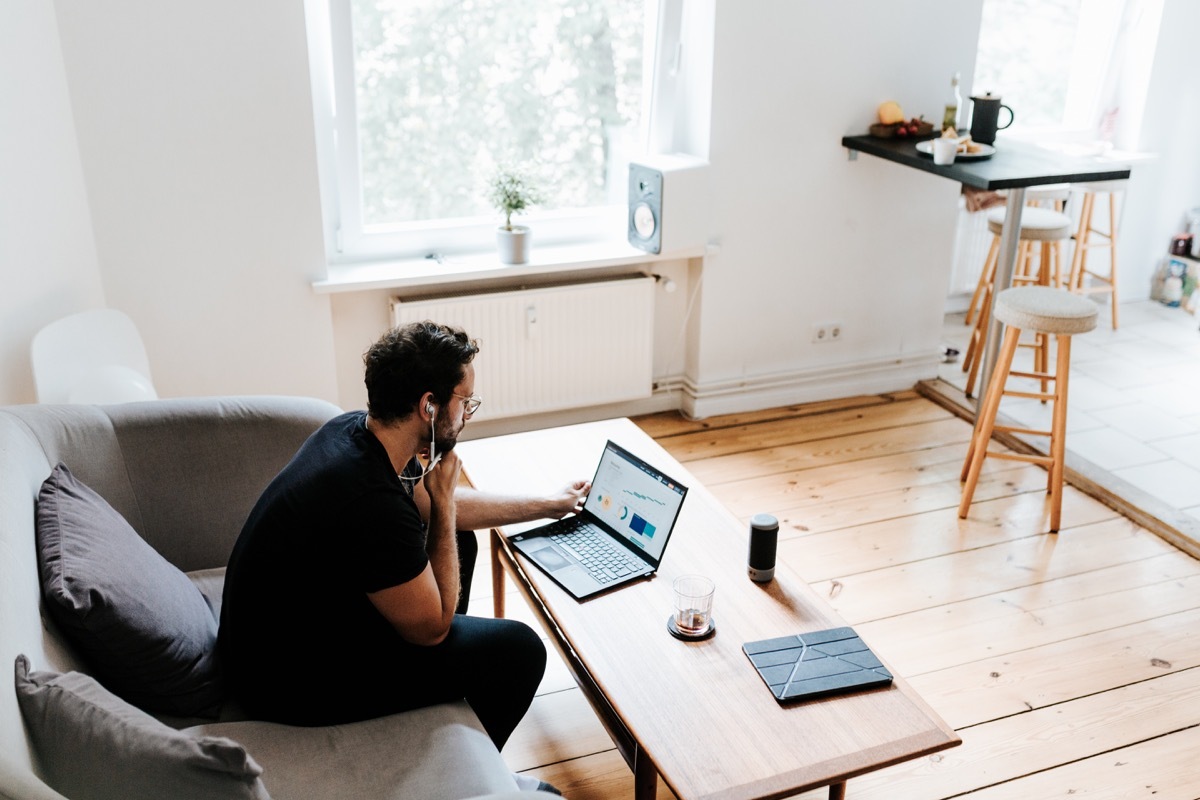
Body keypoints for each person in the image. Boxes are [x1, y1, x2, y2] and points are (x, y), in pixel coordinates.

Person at [218, 321, 588, 793]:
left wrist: (548, 504)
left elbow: (433, 504)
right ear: (428, 406)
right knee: (519, 651)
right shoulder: (367, 498)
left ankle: (448, 716)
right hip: (286, 683)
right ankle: (465, 781)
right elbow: (433, 627)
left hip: (290, 630)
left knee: (460, 541)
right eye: (464, 400)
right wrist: (447, 504)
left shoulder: (357, 432)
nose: (467, 412)